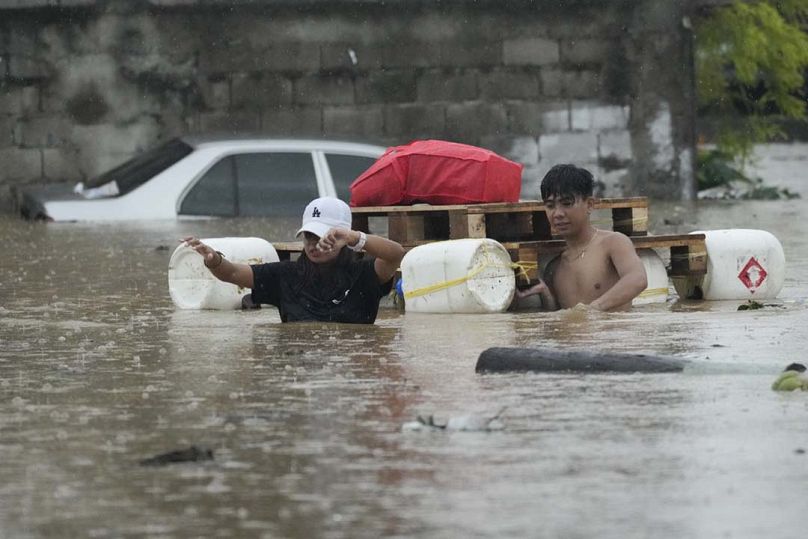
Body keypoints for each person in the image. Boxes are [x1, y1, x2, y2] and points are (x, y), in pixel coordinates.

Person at [182, 197, 405, 324]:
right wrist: (213, 260)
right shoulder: (285, 276)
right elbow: (232, 273)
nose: (313, 244)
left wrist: (355, 237)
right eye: (309, 236)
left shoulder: (365, 276)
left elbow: (395, 254)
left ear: (342, 237)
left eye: (322, 236)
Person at [515, 164, 647, 311]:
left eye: (567, 203)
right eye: (550, 206)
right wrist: (545, 293)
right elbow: (559, 317)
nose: (557, 213)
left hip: (614, 333)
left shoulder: (613, 243)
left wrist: (592, 309)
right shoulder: (554, 268)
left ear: (590, 204)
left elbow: (637, 279)